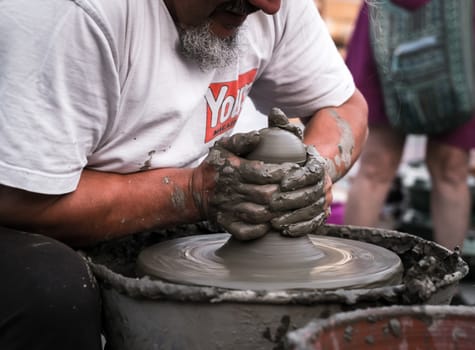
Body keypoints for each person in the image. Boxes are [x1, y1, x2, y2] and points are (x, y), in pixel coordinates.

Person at [0, 0, 368, 348]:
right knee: (51, 288)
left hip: (159, 205)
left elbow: (345, 106)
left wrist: (309, 171)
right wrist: (194, 192)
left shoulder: (268, 5)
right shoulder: (76, 15)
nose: (269, 6)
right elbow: (18, 200)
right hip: (21, 212)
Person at [344, 0, 475, 252]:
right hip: (385, 18)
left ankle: (449, 280)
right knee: (375, 165)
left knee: (451, 167)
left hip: (461, 20)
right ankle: (350, 279)